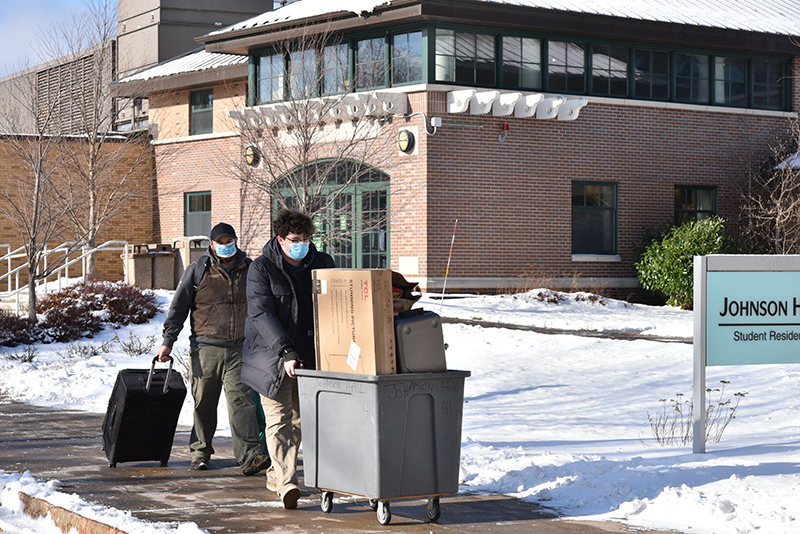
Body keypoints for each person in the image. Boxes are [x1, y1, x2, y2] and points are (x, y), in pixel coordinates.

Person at [156, 222, 269, 476]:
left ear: (236, 242)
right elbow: (178, 308)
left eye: (230, 241)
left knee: (243, 403)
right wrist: (167, 341)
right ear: (211, 244)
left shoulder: (250, 269)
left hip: (241, 348)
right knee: (204, 401)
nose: (226, 246)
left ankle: (250, 454)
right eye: (221, 242)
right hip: (206, 347)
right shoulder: (198, 270)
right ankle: (200, 452)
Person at [243, 209, 335, 509]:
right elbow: (261, 313)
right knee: (278, 419)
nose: (303, 245)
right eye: (296, 240)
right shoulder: (262, 268)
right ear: (280, 239)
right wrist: (285, 350)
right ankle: (286, 483)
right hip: (271, 356)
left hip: (310, 355)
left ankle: (275, 471)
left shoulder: (322, 263)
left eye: (307, 239)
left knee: (298, 422)